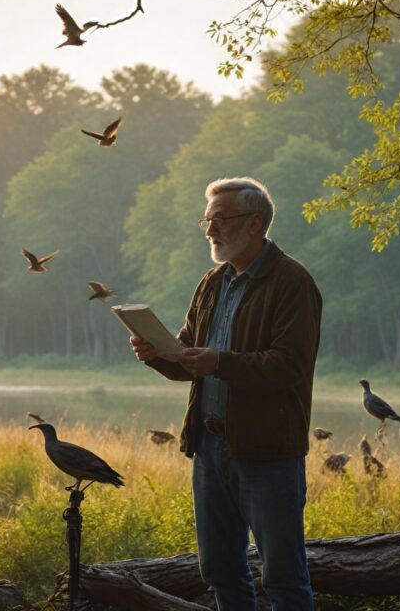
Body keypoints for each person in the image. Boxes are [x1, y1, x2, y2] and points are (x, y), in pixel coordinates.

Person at [130, 177, 322, 610]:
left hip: (268, 452)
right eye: (207, 220)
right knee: (219, 570)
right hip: (210, 447)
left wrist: (220, 362)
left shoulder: (292, 281)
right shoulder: (212, 283)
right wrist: (157, 354)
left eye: (219, 220)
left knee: (284, 577)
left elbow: (290, 366)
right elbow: (189, 358)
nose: (209, 230)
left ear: (255, 223)